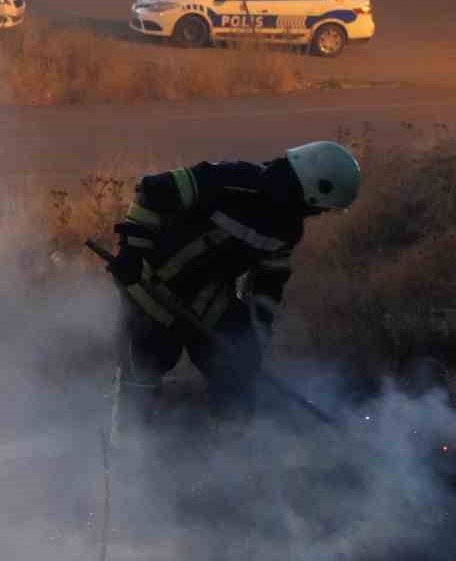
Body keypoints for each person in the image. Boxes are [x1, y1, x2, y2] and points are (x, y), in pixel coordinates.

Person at [105, 142, 361, 422]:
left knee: (237, 373)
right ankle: (125, 454)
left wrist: (254, 340)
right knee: (142, 375)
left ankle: (228, 452)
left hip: (209, 299)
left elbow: (268, 285)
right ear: (313, 189)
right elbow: (152, 191)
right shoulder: (235, 180)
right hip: (149, 287)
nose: (320, 214)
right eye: (322, 208)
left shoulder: (288, 230)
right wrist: (131, 251)